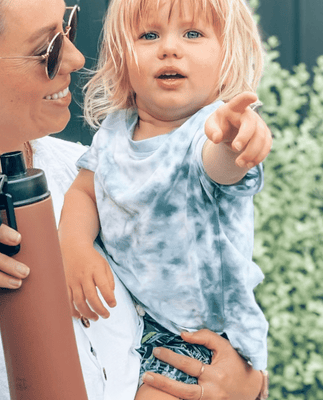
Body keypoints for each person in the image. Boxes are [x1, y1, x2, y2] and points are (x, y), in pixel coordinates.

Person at [0, 0, 267, 399]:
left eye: (68, 27)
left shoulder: (84, 171)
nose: (77, 58)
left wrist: (244, 386)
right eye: (48, 49)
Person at [58, 0, 272, 399]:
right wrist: (73, 245)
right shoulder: (114, 133)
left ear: (227, 54)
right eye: (149, 35)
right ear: (123, 59)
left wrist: (233, 138)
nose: (169, 48)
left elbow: (220, 167)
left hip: (194, 337)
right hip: (133, 326)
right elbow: (85, 191)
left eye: (193, 34)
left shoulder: (204, 134)